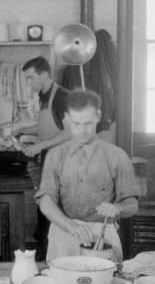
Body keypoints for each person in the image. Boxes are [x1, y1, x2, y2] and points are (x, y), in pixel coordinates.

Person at [35, 89, 139, 263]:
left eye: (88, 123)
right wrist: (71, 226)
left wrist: (118, 208)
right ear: (66, 119)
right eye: (76, 124)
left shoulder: (117, 156)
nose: (82, 131)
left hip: (102, 233)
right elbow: (46, 201)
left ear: (98, 116)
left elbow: (132, 204)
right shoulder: (55, 156)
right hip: (64, 231)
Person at [11, 56, 70, 261]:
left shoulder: (63, 96)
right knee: (44, 211)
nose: (28, 84)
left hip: (64, 165)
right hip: (49, 162)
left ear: (44, 74)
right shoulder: (45, 97)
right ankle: (46, 258)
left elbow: (70, 132)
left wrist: (39, 147)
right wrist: (20, 130)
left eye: (30, 78)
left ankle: (54, 260)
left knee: (54, 213)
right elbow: (46, 127)